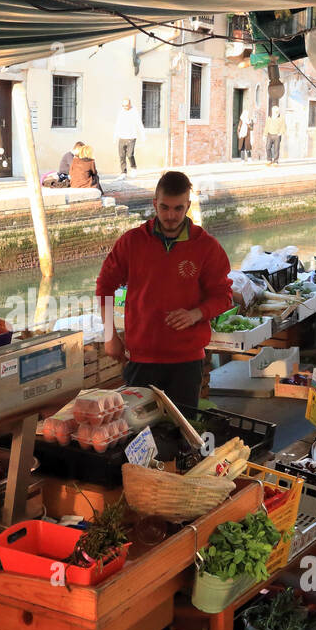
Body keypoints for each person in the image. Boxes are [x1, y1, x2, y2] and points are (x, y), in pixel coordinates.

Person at [95, 171, 233, 410]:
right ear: (154, 204)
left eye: (178, 208)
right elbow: (104, 286)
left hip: (187, 359)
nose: (171, 216)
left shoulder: (207, 247)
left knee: (181, 432)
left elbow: (223, 296)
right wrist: (110, 335)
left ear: (188, 205)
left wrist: (196, 314)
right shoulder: (132, 242)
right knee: (138, 434)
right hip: (141, 359)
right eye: (164, 207)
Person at [114, 98, 145, 175]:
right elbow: (118, 124)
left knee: (130, 154)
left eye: (126, 105)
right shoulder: (121, 112)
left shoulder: (134, 112)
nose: (125, 107)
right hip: (122, 137)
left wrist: (143, 135)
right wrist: (115, 136)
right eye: (123, 105)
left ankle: (133, 167)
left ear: (130, 104)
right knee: (121, 156)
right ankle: (123, 172)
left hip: (131, 137)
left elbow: (139, 124)